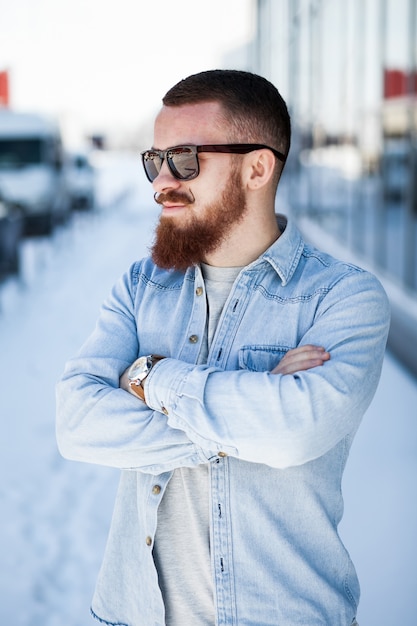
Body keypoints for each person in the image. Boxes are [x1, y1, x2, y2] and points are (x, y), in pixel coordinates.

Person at [56, 69, 390, 626]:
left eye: (184, 159)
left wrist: (148, 377)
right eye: (154, 160)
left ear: (257, 167)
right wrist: (253, 414)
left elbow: (295, 431)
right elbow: (75, 422)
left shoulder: (341, 297)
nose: (162, 181)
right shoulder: (142, 286)